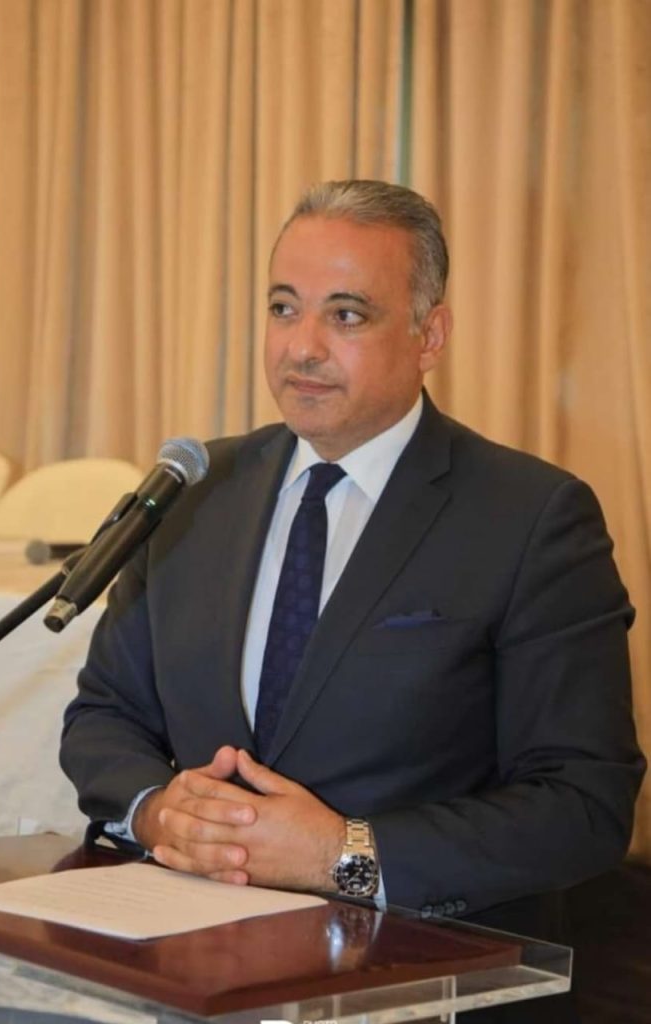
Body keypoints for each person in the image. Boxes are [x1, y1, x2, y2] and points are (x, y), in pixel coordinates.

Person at [61, 180, 644, 1022]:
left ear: (428, 335)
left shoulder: (531, 516)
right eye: (282, 308)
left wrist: (344, 854)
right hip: (189, 966)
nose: (301, 347)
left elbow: (583, 805)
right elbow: (105, 715)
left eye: (345, 315)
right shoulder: (194, 490)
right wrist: (156, 812)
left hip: (420, 980)